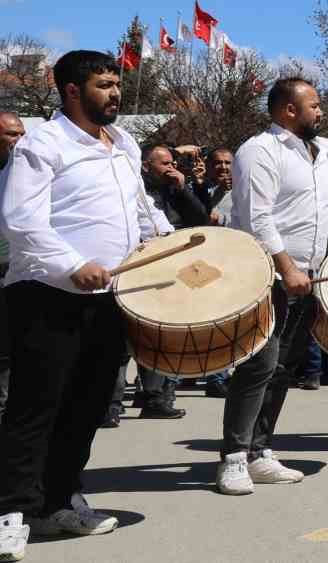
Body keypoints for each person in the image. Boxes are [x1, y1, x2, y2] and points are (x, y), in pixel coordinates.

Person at [0, 52, 175, 558]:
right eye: (104, 84)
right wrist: (72, 263)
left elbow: (141, 214)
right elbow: (20, 220)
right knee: (35, 407)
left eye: (117, 83)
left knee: (88, 406)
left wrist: (169, 242)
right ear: (72, 91)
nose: (116, 93)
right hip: (47, 295)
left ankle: (57, 502)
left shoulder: (122, 144)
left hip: (110, 297)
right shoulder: (42, 144)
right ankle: (11, 510)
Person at [216, 78, 328, 497]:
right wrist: (286, 266)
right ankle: (232, 458)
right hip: (267, 275)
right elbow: (257, 217)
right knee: (258, 365)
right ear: (288, 111)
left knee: (285, 366)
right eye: (314, 105)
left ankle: (260, 451)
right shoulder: (258, 151)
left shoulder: (325, 150)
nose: (321, 112)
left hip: (311, 275)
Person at [129, 144, 208, 419]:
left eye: (172, 162)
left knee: (168, 333)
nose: (170, 167)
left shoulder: (173, 191)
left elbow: (200, 218)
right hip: (141, 266)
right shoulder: (133, 189)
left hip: (174, 267)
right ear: (145, 166)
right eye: (163, 163)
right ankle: (129, 400)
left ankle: (159, 397)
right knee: (144, 333)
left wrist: (183, 189)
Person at [0, 112, 23, 423]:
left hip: (16, 270)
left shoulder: (29, 173)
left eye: (22, 134)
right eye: (11, 135)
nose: (19, 141)